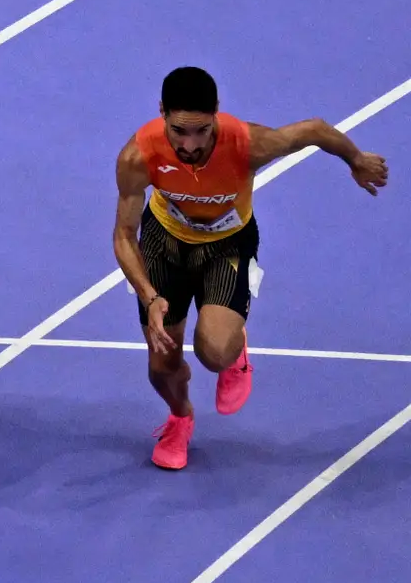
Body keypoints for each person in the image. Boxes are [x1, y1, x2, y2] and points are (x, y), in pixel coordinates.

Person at [113, 63, 388, 471]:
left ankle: (235, 343)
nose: (190, 144)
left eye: (202, 130)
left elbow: (313, 129)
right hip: (163, 245)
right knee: (160, 367)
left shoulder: (249, 144)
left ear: (217, 114)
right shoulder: (139, 155)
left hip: (228, 246)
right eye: (179, 131)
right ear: (162, 114)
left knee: (214, 353)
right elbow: (123, 235)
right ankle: (181, 418)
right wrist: (149, 297)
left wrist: (356, 159)